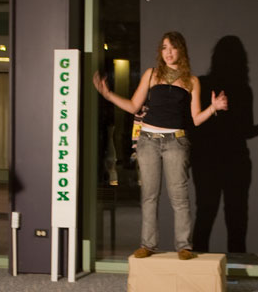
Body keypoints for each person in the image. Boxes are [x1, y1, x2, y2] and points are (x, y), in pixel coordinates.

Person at [93, 31, 228, 260]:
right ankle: (148, 244)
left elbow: (195, 119)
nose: (168, 53)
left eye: (173, 48)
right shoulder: (151, 74)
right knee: (149, 195)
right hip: (148, 141)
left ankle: (184, 246)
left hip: (176, 141)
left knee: (179, 196)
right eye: (164, 48)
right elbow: (134, 106)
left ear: (181, 51)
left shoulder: (191, 81)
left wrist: (213, 108)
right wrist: (108, 95)